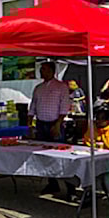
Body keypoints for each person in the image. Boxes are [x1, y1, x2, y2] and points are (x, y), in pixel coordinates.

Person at [29, 61, 71, 195]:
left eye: (45, 69)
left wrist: (58, 124)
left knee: (61, 156)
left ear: (52, 71)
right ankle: (52, 184)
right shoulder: (38, 88)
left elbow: (64, 107)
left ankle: (70, 188)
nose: (42, 72)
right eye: (41, 69)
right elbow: (32, 107)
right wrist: (30, 125)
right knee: (45, 156)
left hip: (55, 123)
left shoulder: (61, 87)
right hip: (41, 124)